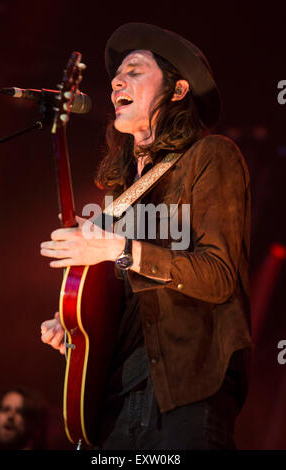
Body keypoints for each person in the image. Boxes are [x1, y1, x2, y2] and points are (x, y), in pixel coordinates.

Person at [40, 23, 252, 450]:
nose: (117, 80)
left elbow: (219, 275)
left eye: (135, 71)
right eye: (117, 74)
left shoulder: (211, 156)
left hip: (185, 391)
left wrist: (117, 248)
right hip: (117, 398)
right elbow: (124, 298)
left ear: (176, 91)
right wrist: (78, 327)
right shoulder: (118, 198)